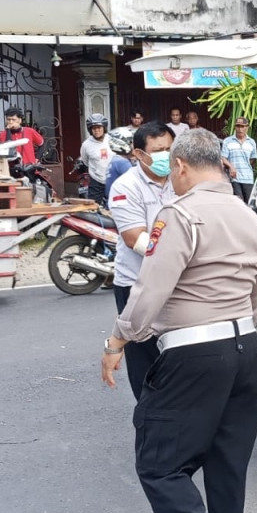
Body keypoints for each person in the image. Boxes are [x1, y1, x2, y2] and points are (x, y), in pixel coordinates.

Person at [101, 128, 257, 513]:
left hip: (194, 353)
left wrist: (117, 340)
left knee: (158, 464)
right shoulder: (251, 218)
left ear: (180, 166)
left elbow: (149, 291)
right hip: (245, 347)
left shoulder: (180, 215)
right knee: (226, 462)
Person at [106, 122, 175, 400]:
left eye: (170, 148)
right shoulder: (126, 186)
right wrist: (183, 255)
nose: (166, 156)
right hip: (137, 284)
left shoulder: (181, 180)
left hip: (175, 284)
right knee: (144, 360)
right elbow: (136, 239)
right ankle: (150, 423)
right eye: (159, 151)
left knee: (176, 356)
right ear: (138, 153)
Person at [221, 116, 257, 202]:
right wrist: (231, 167)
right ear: (235, 127)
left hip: (248, 178)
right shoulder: (228, 141)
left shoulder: (251, 142)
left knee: (249, 203)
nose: (240, 129)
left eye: (242, 126)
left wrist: (245, 166)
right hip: (234, 178)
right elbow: (223, 158)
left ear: (247, 127)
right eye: (238, 126)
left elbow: (252, 160)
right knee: (238, 201)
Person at [80, 113, 112, 202]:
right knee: (93, 207)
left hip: (112, 179)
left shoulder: (112, 140)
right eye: (94, 128)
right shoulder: (86, 145)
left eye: (99, 127)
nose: (96, 130)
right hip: (96, 181)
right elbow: (85, 161)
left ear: (104, 128)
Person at [104, 126, 135, 202]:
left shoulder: (116, 159)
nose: (133, 145)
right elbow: (135, 182)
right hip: (121, 201)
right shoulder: (122, 162)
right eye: (131, 142)